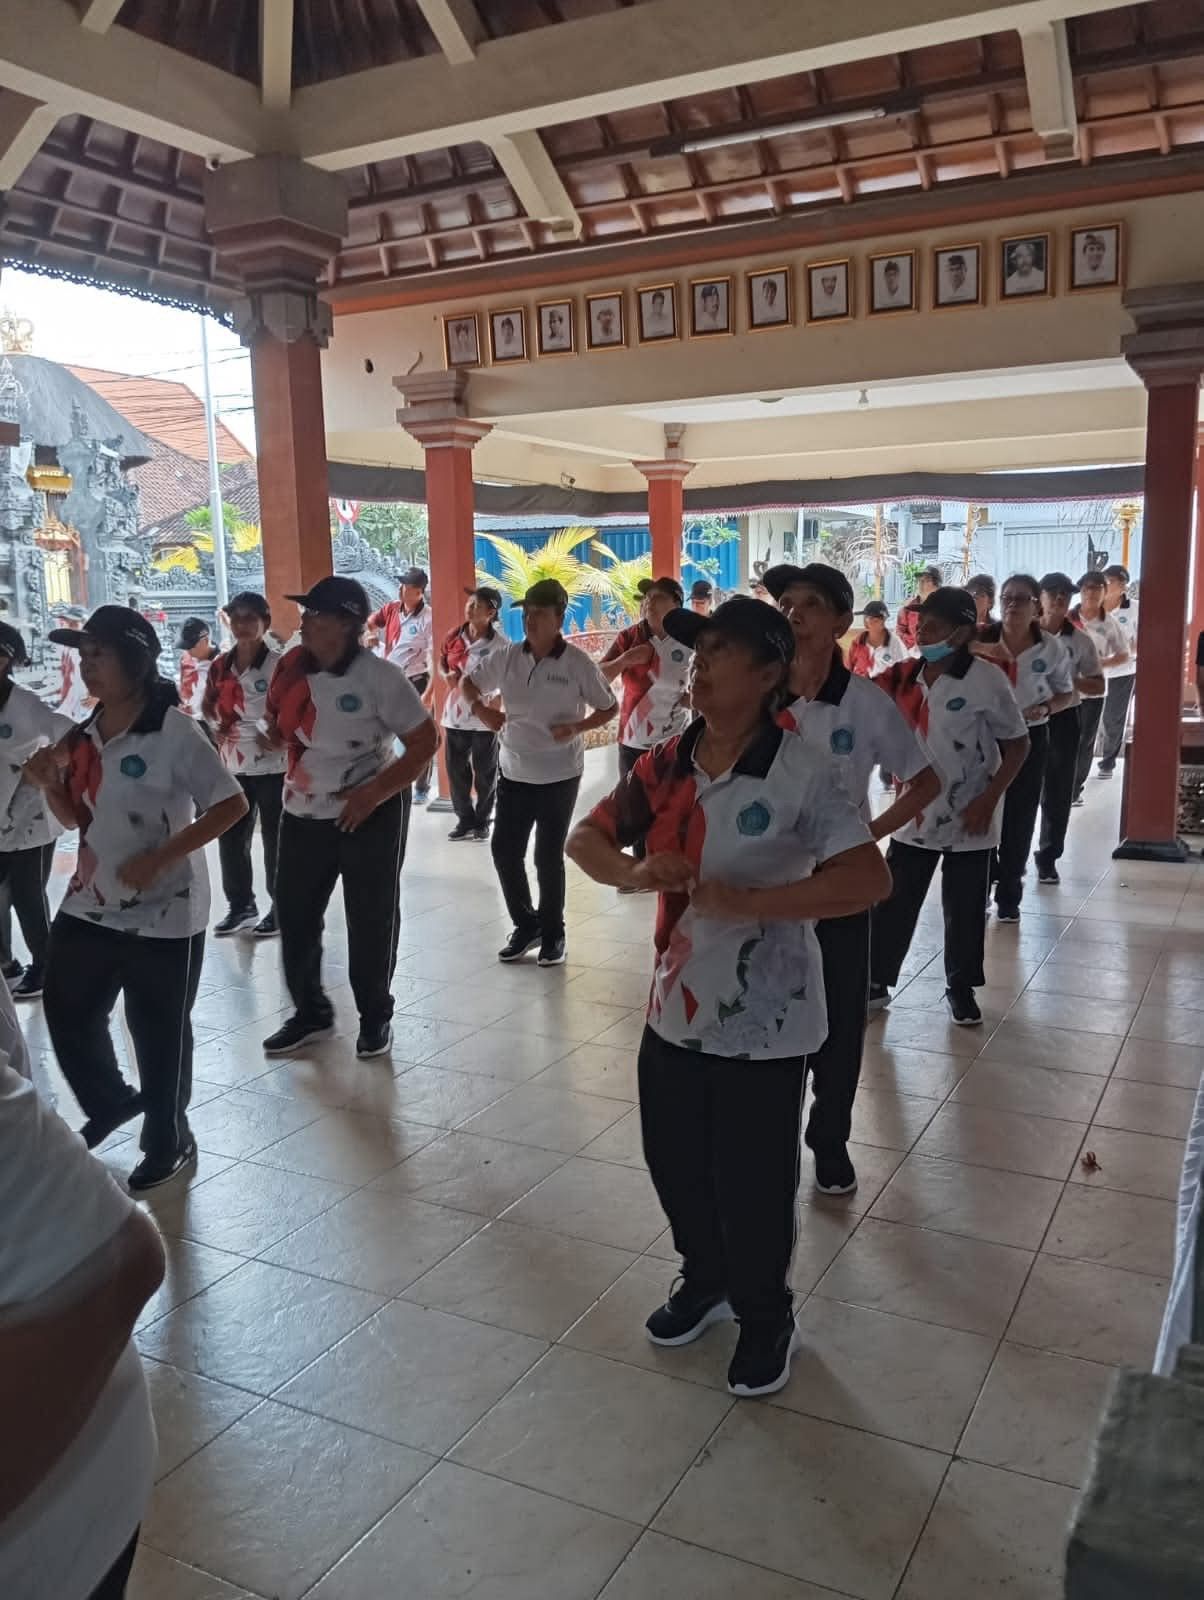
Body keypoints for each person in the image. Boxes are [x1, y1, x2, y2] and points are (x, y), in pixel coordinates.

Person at [566, 596, 888, 1397]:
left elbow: (867, 878)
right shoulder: (668, 761)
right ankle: (704, 1278)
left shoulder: (800, 770)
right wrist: (635, 871)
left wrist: (752, 903)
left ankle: (766, 1314)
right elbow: (585, 838)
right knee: (673, 1158)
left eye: (718, 652)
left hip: (765, 1018)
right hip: (674, 1003)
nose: (698, 665)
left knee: (752, 1178)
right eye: (696, 651)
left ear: (770, 673)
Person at [27, 606, 247, 1191]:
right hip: (91, 898)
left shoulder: (176, 732)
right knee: (67, 1005)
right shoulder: (83, 735)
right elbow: (75, 819)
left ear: (135, 660)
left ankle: (167, 1139)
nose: (87, 665)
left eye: (99, 654)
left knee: (158, 1032)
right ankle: (111, 1101)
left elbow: (231, 804)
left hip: (167, 909)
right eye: (83, 655)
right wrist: (50, 784)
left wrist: (160, 857)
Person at [764, 564, 939, 1195]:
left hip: (839, 886)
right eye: (786, 602)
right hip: (770, 885)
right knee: (771, 1011)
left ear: (841, 621)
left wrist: (869, 835)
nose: (794, 614)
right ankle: (771, 1138)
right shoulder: (760, 694)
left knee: (840, 1022)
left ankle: (830, 1139)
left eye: (809, 604)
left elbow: (925, 779)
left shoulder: (863, 702)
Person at [0, 1046, 165, 1600]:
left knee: (154, 1019)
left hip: (59, 1530)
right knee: (79, 1010)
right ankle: (122, 1102)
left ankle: (166, 1131)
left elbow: (127, 1259)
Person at [260, 577, 438, 1061]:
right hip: (302, 810)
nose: (304, 623)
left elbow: (425, 742)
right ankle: (310, 1012)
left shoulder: (380, 678)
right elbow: (279, 724)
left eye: (315, 615)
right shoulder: (289, 669)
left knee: (370, 917)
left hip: (370, 811)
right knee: (294, 913)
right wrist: (273, 737)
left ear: (345, 624)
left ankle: (375, 1015)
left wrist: (373, 794)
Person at [870, 586, 1029, 1024]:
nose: (922, 632)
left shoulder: (986, 679)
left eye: (934, 626)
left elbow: (1018, 746)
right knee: (897, 898)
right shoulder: (905, 676)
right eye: (920, 624)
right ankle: (876, 979)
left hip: (970, 811)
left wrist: (988, 800)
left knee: (964, 907)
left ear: (959, 633)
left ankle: (961, 987)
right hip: (915, 810)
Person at [460, 578, 617, 967]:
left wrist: (577, 728)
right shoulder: (509, 657)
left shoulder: (577, 663)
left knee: (547, 857)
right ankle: (525, 924)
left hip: (559, 774)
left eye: (540, 614)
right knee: (504, 850)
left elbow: (609, 707)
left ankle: (553, 933)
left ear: (559, 619)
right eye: (527, 613)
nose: (530, 620)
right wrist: (482, 711)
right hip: (513, 770)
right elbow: (468, 683)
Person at [977, 574, 1075, 920]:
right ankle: (981, 883)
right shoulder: (980, 639)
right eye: (1007, 598)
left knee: (1019, 815)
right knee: (981, 810)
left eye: (1021, 599)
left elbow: (1066, 694)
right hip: (983, 738)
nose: (1012, 605)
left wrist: (1046, 708)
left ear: (1036, 606)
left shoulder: (1051, 648)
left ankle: (1009, 895)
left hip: (1029, 737)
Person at [200, 591, 285, 937]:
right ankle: (240, 906)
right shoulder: (220, 665)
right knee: (231, 837)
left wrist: (280, 735)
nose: (242, 625)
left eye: (251, 618)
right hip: (232, 764)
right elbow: (207, 704)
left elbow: (298, 709)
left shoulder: (279, 665)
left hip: (274, 765)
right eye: (236, 618)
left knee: (276, 840)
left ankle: (281, 908)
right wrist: (214, 724)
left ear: (265, 622)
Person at [0, 623, 73, 1000]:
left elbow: (73, 734)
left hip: (30, 815)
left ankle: (46, 966)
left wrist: (48, 764)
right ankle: (5, 965)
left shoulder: (25, 703)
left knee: (28, 895)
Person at [601, 576, 691, 867]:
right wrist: (625, 660)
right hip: (633, 737)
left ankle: (668, 862)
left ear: (676, 604)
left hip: (675, 738)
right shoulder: (630, 637)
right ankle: (640, 866)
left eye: (658, 597)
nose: (649, 603)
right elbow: (597, 679)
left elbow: (706, 686)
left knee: (672, 802)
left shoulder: (690, 639)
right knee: (633, 805)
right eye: (646, 598)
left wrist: (694, 699)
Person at [1034, 573, 1103, 884]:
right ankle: (1004, 860)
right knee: (1016, 789)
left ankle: (1048, 857)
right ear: (1040, 598)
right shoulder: (1023, 635)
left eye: (1065, 594)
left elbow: (1098, 684)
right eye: (1053, 593)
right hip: (1024, 718)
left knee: (1058, 790)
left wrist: (1069, 682)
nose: (1060, 598)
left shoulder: (1080, 641)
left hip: (1063, 718)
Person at [439, 585, 506, 842]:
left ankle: (482, 821)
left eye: (476, 605)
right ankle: (464, 820)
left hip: (483, 718)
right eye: (469, 603)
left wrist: (498, 701)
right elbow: (442, 661)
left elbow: (507, 678)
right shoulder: (453, 636)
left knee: (485, 773)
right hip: (455, 715)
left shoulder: (501, 645)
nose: (470, 608)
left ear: (491, 612)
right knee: (457, 773)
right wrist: (445, 674)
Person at [367, 566, 434, 801]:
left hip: (415, 681)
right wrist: (370, 634)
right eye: (401, 584)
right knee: (386, 732)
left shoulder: (428, 618)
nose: (401, 588)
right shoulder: (392, 609)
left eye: (406, 586)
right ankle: (391, 781)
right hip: (389, 681)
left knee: (418, 736)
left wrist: (429, 694)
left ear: (418, 592)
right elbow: (370, 622)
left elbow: (434, 657)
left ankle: (421, 788)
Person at [1070, 570, 1129, 805]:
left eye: (1097, 588)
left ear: (1105, 592)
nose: (1091, 593)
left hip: (1094, 691)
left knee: (1085, 741)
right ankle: (1059, 785)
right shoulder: (1067, 619)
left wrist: (1099, 663)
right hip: (1066, 691)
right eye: (1086, 588)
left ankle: (1075, 789)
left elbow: (1123, 654)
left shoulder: (1109, 623)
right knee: (1064, 740)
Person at [1098, 562, 1138, 778]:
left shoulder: (1135, 609)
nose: (1106, 585)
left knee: (1113, 718)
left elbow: (1140, 643)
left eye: (1111, 581)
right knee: (1090, 719)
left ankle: (1108, 762)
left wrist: (1120, 653)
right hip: (1094, 671)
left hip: (1122, 672)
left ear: (1122, 586)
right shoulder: (1092, 606)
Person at [847, 599, 909, 678]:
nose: (867, 622)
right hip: (860, 684)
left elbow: (905, 670)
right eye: (866, 618)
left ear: (883, 621)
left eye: (874, 620)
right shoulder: (857, 643)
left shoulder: (895, 643)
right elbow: (849, 671)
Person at [176, 617, 216, 719]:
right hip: (188, 720)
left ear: (206, 640)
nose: (188, 651)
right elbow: (183, 688)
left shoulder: (222, 664)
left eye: (191, 646)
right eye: (186, 647)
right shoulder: (185, 659)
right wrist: (184, 703)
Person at [895, 564, 943, 650]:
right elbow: (899, 632)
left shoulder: (946, 608)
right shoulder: (908, 608)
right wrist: (913, 642)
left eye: (927, 580)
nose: (921, 583)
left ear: (937, 585)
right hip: (912, 653)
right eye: (920, 580)